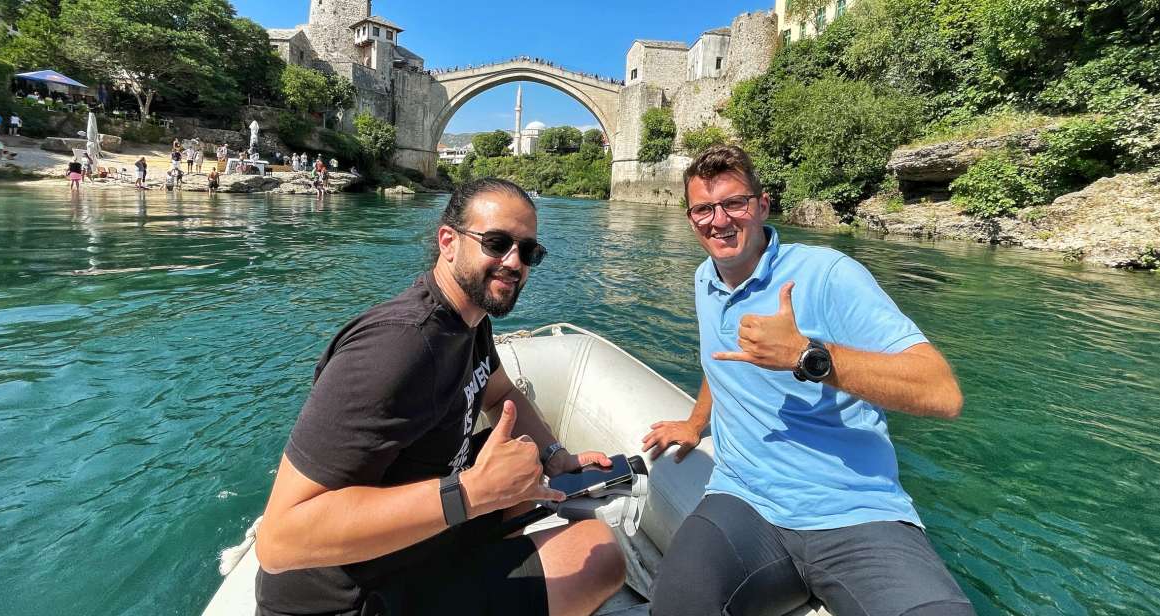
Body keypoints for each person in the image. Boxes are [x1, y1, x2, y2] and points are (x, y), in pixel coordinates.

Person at [254, 178, 626, 616]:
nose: (514, 263)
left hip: (416, 540)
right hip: (347, 597)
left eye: (528, 252)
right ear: (447, 241)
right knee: (599, 552)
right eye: (497, 242)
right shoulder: (397, 349)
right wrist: (469, 493)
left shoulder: (470, 319)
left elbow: (501, 391)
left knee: (523, 461)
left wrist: (555, 454)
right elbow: (278, 541)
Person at [645, 146, 973, 616]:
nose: (719, 220)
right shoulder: (706, 278)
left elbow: (942, 393)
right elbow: (722, 361)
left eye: (735, 203)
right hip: (745, 501)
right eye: (703, 209)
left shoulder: (828, 275)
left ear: (762, 204)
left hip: (856, 510)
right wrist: (696, 424)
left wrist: (807, 355)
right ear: (691, 217)